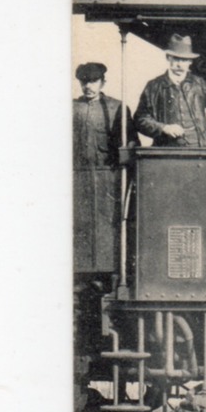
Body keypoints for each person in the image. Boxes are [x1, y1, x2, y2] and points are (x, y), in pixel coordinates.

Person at [72, 62, 135, 274]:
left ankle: (110, 273)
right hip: (77, 179)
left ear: (102, 82)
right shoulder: (71, 108)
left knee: (109, 229)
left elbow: (131, 142)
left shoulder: (116, 108)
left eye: (93, 81)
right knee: (79, 229)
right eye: (84, 82)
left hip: (109, 180)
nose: (88, 86)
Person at [134, 34, 206, 147]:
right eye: (176, 59)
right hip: (167, 152)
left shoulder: (199, 84)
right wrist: (164, 128)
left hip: (202, 149)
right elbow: (140, 119)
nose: (180, 64)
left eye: (184, 60)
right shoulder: (154, 86)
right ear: (168, 58)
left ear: (190, 61)